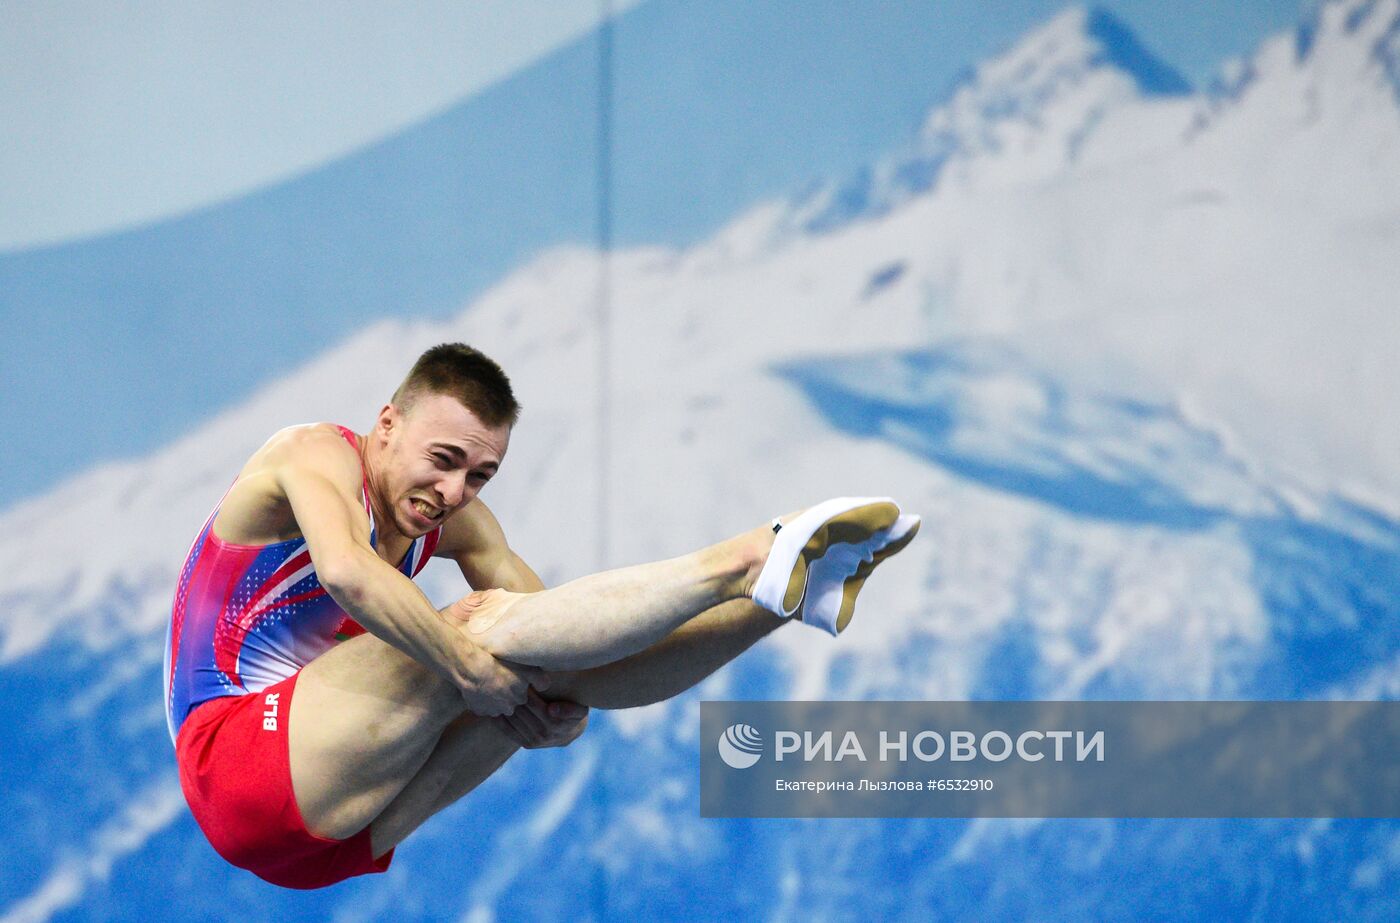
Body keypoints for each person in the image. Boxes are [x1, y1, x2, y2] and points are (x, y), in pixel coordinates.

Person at [163, 342, 920, 889]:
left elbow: (557, 633)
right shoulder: (312, 455)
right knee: (471, 631)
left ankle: (785, 596)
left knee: (538, 662)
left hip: (333, 841)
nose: (454, 491)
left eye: (479, 474)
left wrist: (562, 706)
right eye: (444, 457)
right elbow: (348, 572)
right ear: (386, 424)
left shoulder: (456, 518)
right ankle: (746, 556)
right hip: (234, 761)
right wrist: (466, 666)